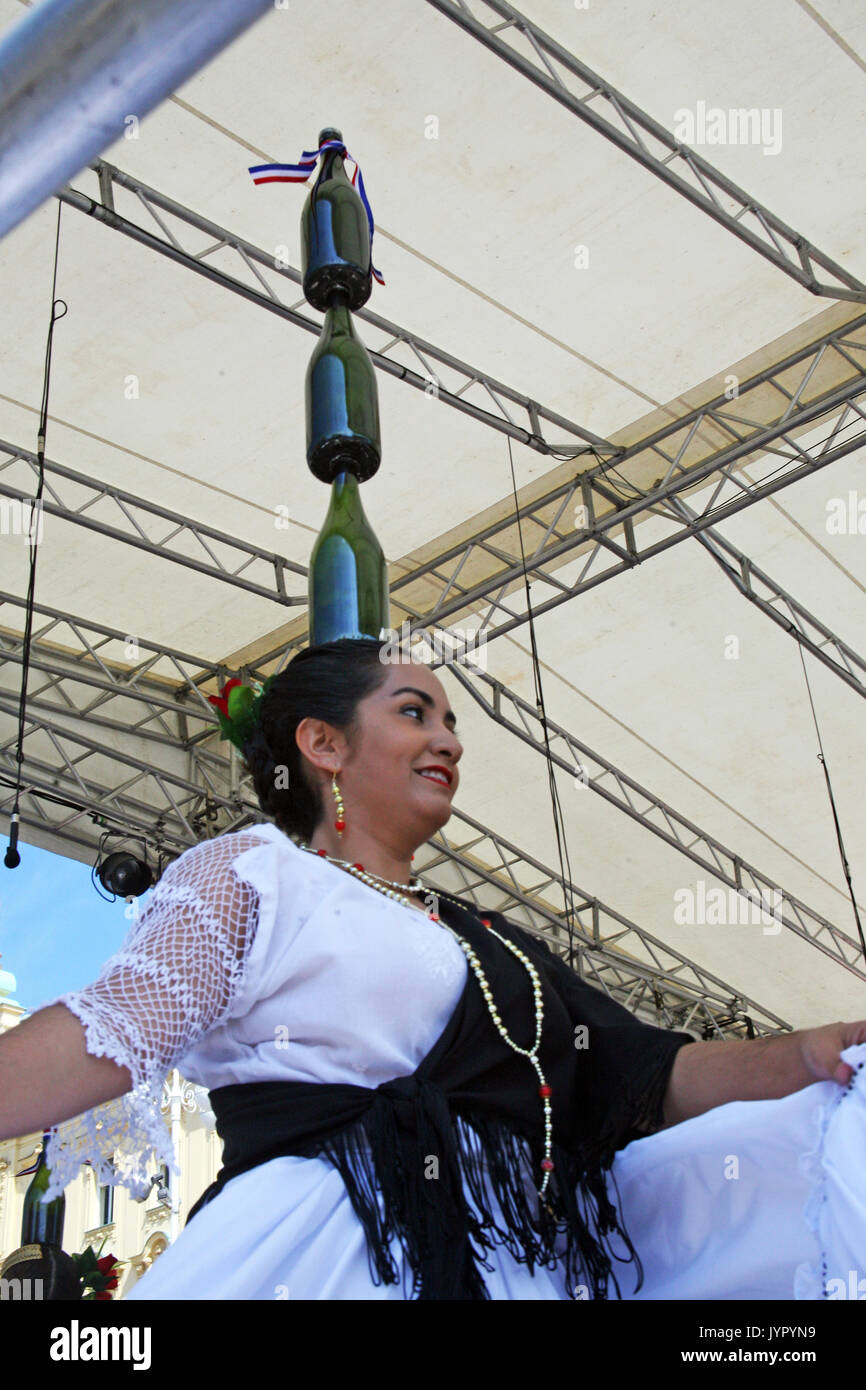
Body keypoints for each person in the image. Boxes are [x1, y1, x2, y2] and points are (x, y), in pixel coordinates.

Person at [0, 636, 865, 1300]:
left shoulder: (498, 946)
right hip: (328, 1252)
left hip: (511, 1263)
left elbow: (648, 1071)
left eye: (451, 722)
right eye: (416, 712)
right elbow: (111, 1029)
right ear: (323, 745)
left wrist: (803, 1057)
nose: (447, 739)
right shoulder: (259, 874)